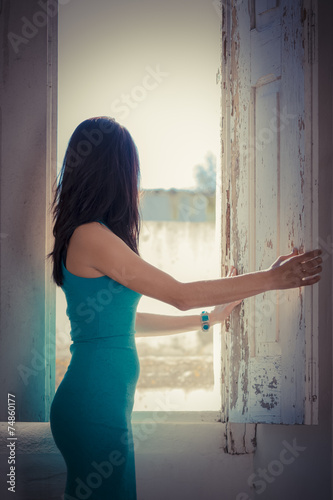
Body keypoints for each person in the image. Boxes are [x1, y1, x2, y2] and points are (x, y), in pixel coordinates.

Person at [48, 116, 322, 500]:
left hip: (98, 405)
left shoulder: (90, 235)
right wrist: (272, 279)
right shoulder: (91, 236)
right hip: (94, 406)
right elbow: (179, 293)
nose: (136, 183)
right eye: (132, 171)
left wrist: (207, 319)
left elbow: (128, 322)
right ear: (114, 172)